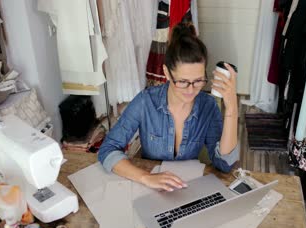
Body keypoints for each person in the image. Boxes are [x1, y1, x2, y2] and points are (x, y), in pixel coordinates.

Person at [98, 23, 239, 192]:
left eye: (198, 81)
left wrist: (232, 109)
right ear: (166, 72)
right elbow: (107, 150)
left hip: (187, 188)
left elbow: (224, 164)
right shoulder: (145, 101)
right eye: (182, 82)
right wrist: (146, 177)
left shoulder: (207, 106)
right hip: (149, 188)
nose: (191, 90)